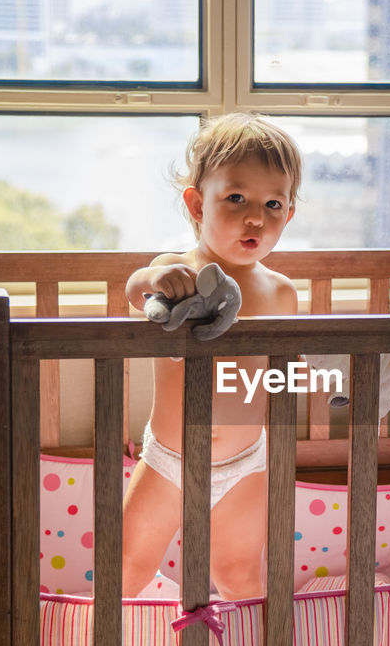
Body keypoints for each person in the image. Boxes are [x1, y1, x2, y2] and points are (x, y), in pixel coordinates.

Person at [121, 112, 302, 599]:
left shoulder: (282, 294)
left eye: (273, 204)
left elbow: (273, 379)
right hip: (170, 459)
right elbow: (136, 291)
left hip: (246, 462)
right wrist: (156, 283)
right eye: (236, 198)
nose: (255, 218)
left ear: (288, 215)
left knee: (240, 576)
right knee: (126, 566)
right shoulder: (176, 272)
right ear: (198, 205)